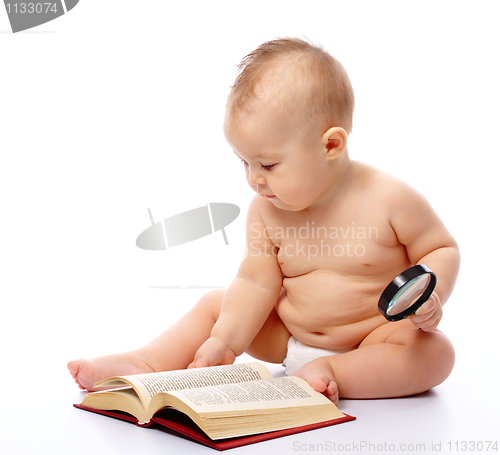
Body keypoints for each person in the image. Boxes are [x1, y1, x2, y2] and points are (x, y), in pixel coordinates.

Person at [68, 38, 459, 405]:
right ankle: (148, 363)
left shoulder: (390, 199)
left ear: (331, 145)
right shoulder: (265, 209)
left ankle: (333, 371)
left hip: (373, 339)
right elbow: (256, 281)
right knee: (215, 305)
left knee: (435, 354)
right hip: (288, 338)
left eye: (268, 164)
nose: (254, 178)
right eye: (245, 162)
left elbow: (439, 249)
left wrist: (429, 298)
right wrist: (225, 340)